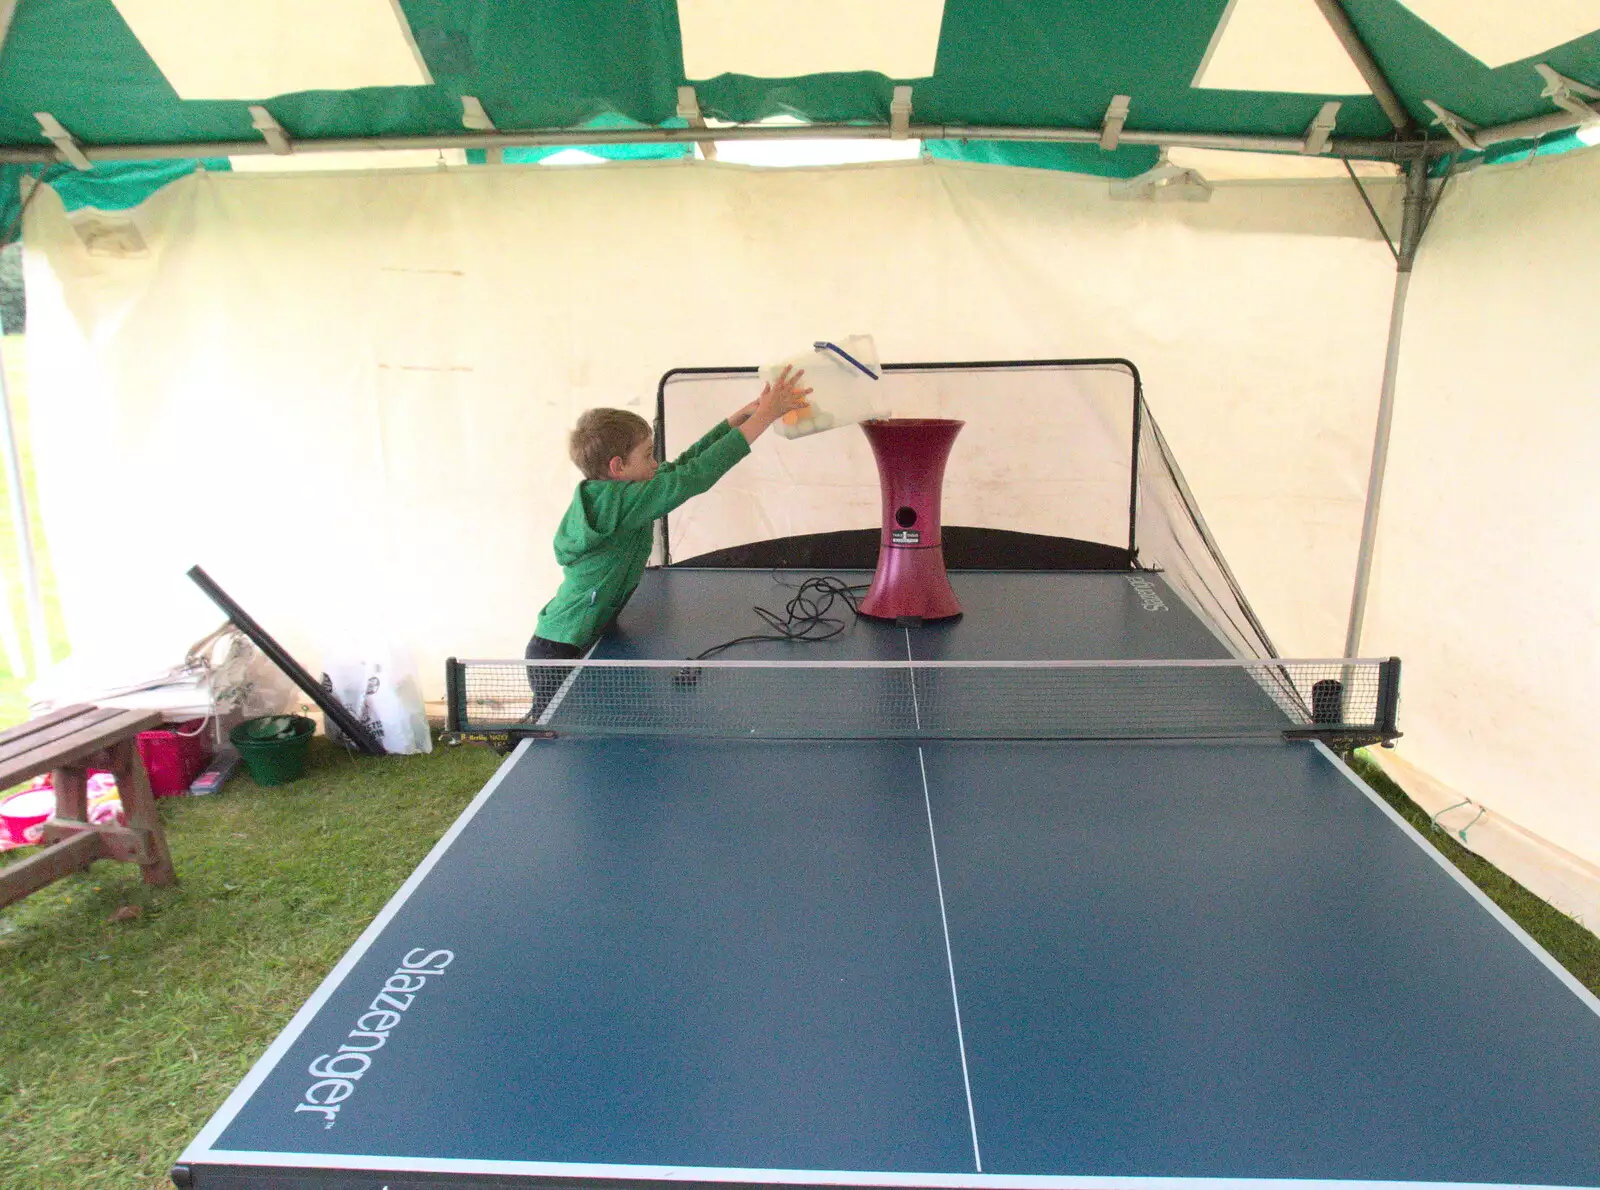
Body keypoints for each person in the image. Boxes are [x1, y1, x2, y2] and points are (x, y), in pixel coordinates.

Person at [523, 366, 812, 719]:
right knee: (543, 733)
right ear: (618, 467)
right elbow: (692, 478)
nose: (655, 462)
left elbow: (682, 466)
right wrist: (765, 417)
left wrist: (734, 422)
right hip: (559, 651)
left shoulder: (618, 493)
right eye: (646, 455)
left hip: (582, 635)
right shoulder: (620, 502)